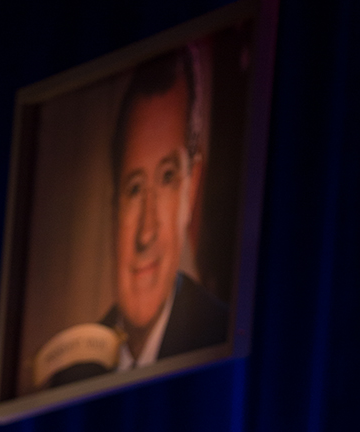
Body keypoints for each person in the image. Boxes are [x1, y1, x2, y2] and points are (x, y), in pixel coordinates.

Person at [40, 47, 228, 389]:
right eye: (135, 189)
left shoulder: (222, 336)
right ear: (114, 210)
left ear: (193, 186)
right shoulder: (69, 378)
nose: (146, 232)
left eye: (168, 177)